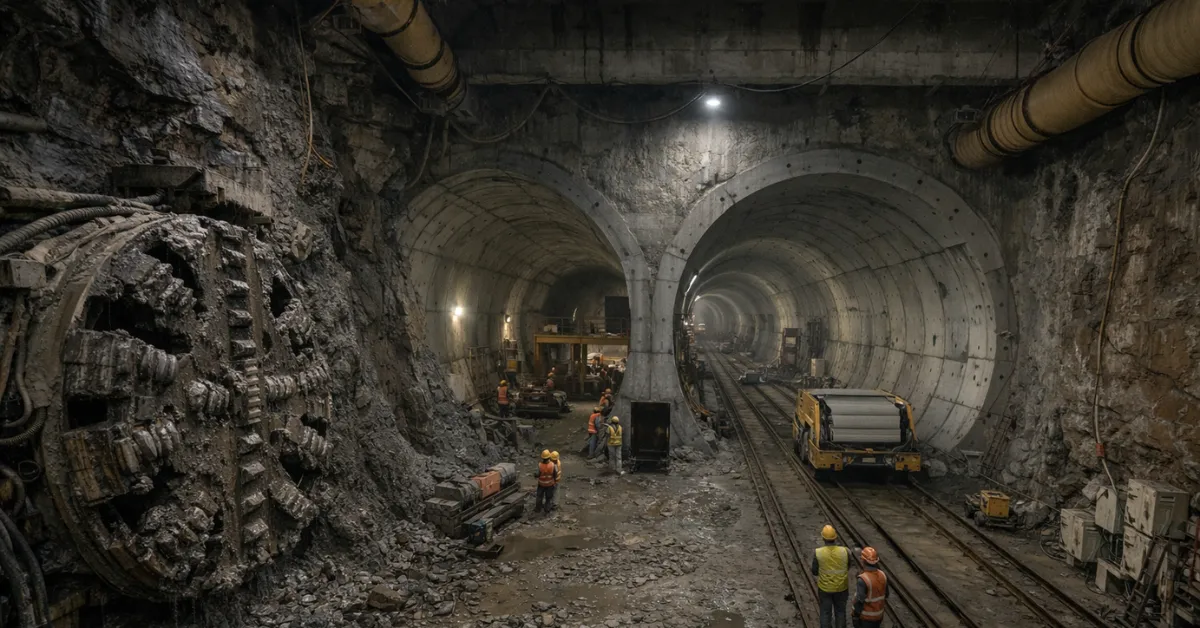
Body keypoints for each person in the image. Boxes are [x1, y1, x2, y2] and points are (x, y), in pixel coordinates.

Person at [811, 525, 849, 628]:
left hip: (825, 589)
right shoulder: (845, 551)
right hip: (842, 588)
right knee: (840, 612)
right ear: (835, 537)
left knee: (825, 613)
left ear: (823, 538)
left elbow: (814, 571)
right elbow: (848, 566)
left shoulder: (818, 552)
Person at [852, 547, 888, 628]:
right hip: (879, 616)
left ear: (863, 561)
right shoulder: (883, 575)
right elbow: (886, 594)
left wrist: (855, 615)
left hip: (866, 618)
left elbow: (859, 600)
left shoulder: (863, 579)